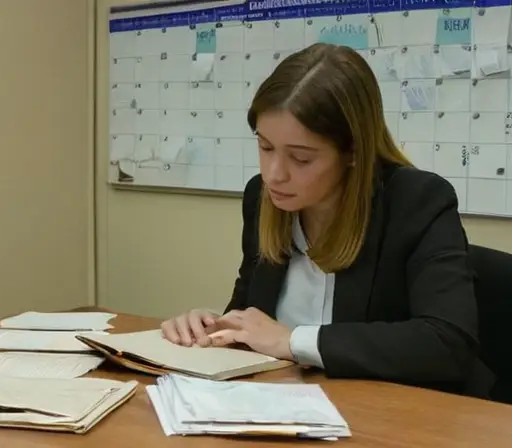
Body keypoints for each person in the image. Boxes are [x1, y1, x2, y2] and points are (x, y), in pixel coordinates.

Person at [160, 43, 494, 398]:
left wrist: (293, 341)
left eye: (301, 158)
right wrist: (211, 326)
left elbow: (446, 343)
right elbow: (250, 312)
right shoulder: (261, 198)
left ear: (353, 152)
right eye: (265, 147)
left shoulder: (417, 201)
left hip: (398, 414)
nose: (275, 175)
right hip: (289, 404)